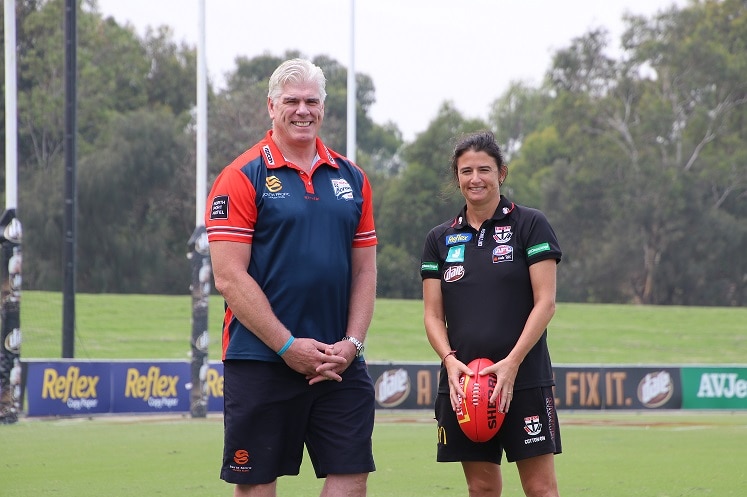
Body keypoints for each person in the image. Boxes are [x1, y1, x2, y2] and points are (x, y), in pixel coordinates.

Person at [205, 58, 378, 497]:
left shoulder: (353, 178)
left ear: (323, 107)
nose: (303, 110)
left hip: (337, 363)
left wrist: (352, 344)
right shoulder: (240, 175)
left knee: (351, 480)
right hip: (261, 359)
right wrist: (287, 346)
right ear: (271, 106)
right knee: (257, 486)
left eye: (311, 101)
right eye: (292, 101)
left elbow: (364, 270)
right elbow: (228, 277)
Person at [420, 130, 563, 497]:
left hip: (524, 378)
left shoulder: (530, 225)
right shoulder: (440, 238)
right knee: (481, 488)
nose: (475, 179)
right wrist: (450, 362)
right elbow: (433, 317)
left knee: (540, 489)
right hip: (465, 383)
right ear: (457, 177)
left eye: (484, 169)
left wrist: (512, 363)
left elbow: (545, 303)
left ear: (501, 173)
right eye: (466, 171)